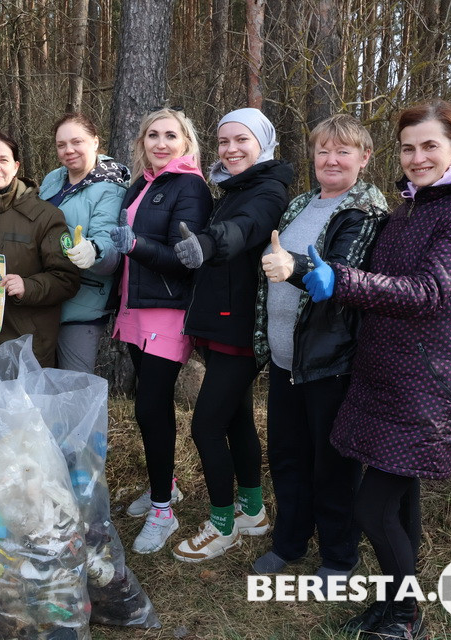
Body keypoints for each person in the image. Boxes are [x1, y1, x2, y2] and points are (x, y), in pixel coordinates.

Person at [304, 100, 451, 639]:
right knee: (402, 502)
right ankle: (396, 605)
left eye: (430, 146)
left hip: (427, 378)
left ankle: (404, 615)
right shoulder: (410, 207)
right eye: (409, 147)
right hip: (384, 371)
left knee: (373, 508)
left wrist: (342, 281)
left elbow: (428, 292)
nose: (417, 158)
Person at [251, 114, 388, 586]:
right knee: (287, 457)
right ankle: (289, 541)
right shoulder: (301, 205)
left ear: (364, 158)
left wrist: (294, 265)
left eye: (343, 151)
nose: (331, 159)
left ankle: (339, 554)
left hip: (331, 361)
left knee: (331, 464)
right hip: (287, 360)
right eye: (323, 150)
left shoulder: (365, 213)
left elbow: (343, 270)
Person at [170, 108, 292, 562]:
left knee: (205, 426)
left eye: (241, 140)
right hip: (225, 323)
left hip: (239, 327)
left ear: (262, 142)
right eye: (223, 141)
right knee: (237, 418)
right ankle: (253, 511)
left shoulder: (266, 190)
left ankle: (222, 525)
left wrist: (207, 242)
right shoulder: (234, 187)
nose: (230, 149)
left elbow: (245, 230)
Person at [107, 108, 212, 554]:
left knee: (153, 406)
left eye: (171, 135)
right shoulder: (143, 183)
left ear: (186, 141)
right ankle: (164, 483)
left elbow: (182, 258)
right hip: (136, 306)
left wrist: (135, 245)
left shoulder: (190, 186)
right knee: (143, 404)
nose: (161, 142)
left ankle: (164, 511)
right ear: (142, 142)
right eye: (153, 135)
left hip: (167, 311)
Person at [0, 129, 80, 367]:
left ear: (15, 166)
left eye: (3, 160)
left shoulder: (45, 216)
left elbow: (67, 279)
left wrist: (28, 286)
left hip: (25, 347)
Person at [38, 113, 129, 374]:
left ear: (95, 142)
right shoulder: (54, 179)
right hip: (45, 295)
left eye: (76, 142)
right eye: (61, 145)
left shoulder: (111, 187)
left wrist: (95, 251)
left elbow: (110, 246)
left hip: (82, 302)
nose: (68, 150)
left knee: (75, 388)